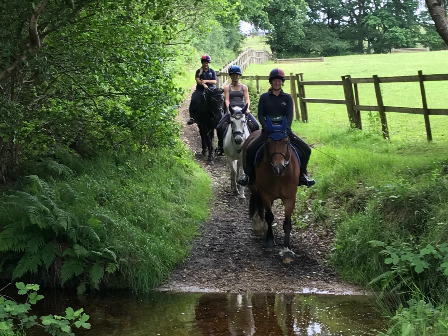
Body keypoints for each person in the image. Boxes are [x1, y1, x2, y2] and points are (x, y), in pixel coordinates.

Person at [238, 68, 316, 187]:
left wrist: (287, 128)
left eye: (279, 81)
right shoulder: (264, 97)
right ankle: (248, 175)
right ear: (271, 82)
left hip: (283, 130)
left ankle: (303, 175)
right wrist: (265, 127)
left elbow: (290, 115)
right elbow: (260, 114)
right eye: (274, 80)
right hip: (268, 130)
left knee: (306, 149)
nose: (277, 83)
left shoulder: (287, 98)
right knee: (250, 148)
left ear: (282, 82)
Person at [215, 65, 259, 156]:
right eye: (233, 75)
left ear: (239, 75)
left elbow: (247, 99)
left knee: (256, 125)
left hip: (242, 109)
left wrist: (247, 108)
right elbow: (226, 100)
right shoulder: (227, 87)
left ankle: (255, 145)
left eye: (237, 75)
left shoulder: (244, 87)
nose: (235, 76)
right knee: (219, 126)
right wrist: (228, 109)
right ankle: (220, 146)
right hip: (232, 110)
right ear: (230, 76)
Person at [187, 54, 217, 125]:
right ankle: (192, 116)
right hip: (201, 89)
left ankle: (220, 114)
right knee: (194, 98)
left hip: (211, 89)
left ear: (208, 63)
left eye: (207, 62)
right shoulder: (198, 71)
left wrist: (206, 81)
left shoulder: (212, 71)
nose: (205, 64)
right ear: (202, 62)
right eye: (204, 62)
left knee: (219, 98)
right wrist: (203, 84)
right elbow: (197, 80)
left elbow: (214, 81)